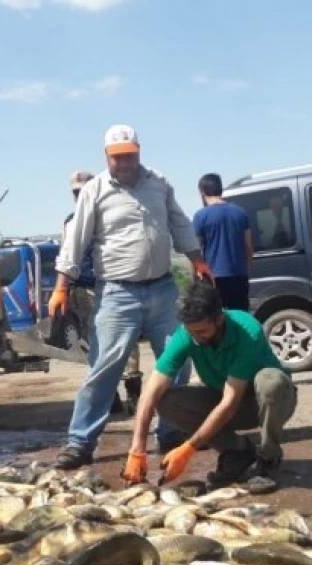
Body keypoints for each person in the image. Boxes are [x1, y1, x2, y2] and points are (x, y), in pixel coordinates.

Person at [51, 124, 212, 469]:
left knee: (179, 362)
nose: (125, 163)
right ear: (106, 156)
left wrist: (197, 257)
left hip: (163, 288)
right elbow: (75, 241)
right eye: (117, 157)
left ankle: (170, 430)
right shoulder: (94, 191)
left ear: (139, 151)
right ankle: (80, 443)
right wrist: (62, 286)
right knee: (105, 368)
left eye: (130, 155)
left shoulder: (159, 183)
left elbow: (179, 222)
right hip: (116, 294)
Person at [120, 280, 296, 494]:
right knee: (166, 402)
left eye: (202, 331)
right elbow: (151, 391)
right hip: (224, 397)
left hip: (266, 402)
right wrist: (137, 449)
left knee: (271, 381)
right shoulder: (187, 335)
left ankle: (268, 459)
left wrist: (188, 448)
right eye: (191, 332)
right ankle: (237, 452)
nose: (196, 337)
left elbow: (230, 403)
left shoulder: (248, 331)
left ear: (219, 318)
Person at [64, 170, 129, 415]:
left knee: (125, 340)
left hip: (114, 285)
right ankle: (110, 397)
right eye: (75, 192)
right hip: (85, 289)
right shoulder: (71, 221)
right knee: (96, 344)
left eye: (83, 191)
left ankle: (134, 390)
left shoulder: (113, 216)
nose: (80, 196)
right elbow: (68, 257)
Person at [192, 173, 254, 311]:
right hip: (239, 276)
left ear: (202, 192)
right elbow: (249, 247)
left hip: (213, 278)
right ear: (221, 189)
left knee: (216, 321)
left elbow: (195, 250)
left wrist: (195, 277)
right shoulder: (240, 213)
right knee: (240, 317)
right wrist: (247, 270)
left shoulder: (200, 216)